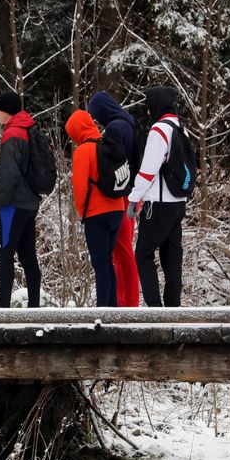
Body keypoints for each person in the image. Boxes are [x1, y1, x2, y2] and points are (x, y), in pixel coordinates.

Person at [127, 86, 189, 307]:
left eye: (148, 104)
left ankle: (154, 308)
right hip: (178, 202)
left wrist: (134, 198)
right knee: (171, 254)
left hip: (159, 204)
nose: (147, 109)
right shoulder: (180, 128)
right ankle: (173, 306)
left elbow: (148, 170)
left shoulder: (159, 130)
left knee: (143, 254)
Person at [67, 109, 127, 307]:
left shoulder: (83, 151)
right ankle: (112, 308)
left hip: (96, 213)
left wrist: (82, 211)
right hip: (118, 209)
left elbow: (80, 186)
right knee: (107, 260)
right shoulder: (108, 144)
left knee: (100, 263)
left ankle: (102, 311)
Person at [88, 91, 141, 307]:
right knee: (124, 249)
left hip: (120, 195)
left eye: (95, 115)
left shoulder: (114, 128)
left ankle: (126, 303)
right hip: (133, 192)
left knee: (122, 250)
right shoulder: (131, 122)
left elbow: (112, 163)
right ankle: (127, 301)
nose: (96, 121)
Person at [0, 90, 42, 308]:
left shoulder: (12, 133)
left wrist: (0, 206)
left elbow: (8, 174)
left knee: (5, 254)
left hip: (12, 205)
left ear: (7, 110)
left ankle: (3, 308)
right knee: (27, 255)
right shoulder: (29, 128)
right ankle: (34, 306)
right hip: (30, 203)